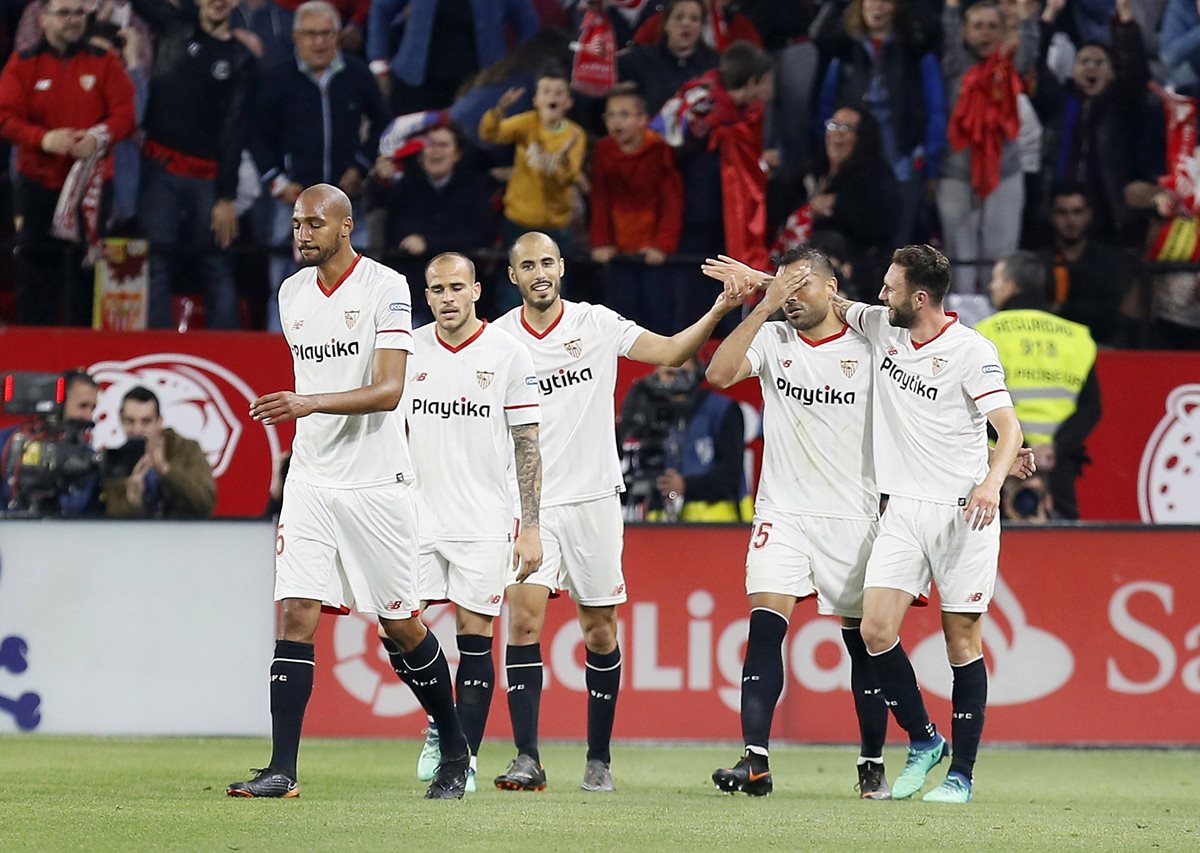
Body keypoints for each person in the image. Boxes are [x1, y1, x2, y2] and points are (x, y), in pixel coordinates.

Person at [225, 184, 470, 800]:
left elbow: (389, 389)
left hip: (376, 481)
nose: (302, 234)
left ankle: (455, 746)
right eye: (296, 224)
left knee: (400, 625)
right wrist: (306, 418)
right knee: (297, 612)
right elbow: (318, 374)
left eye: (314, 224)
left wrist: (307, 403)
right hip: (311, 475)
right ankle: (282, 770)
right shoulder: (291, 292)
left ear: (346, 226)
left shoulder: (385, 286)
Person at [488, 230, 740, 793]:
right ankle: (527, 757)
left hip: (596, 499)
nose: (540, 273)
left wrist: (722, 306)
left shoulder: (596, 324)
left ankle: (598, 758)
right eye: (527, 265)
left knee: (599, 629)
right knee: (524, 620)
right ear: (513, 277)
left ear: (561, 267)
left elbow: (673, 351)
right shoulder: (498, 340)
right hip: (529, 504)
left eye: (547, 262)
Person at [834, 244, 1023, 803]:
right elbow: (831, 299)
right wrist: (760, 281)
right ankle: (924, 737)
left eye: (890, 287)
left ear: (919, 297)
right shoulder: (882, 328)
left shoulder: (972, 351)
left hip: (964, 512)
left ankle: (961, 776)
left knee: (961, 640)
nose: (879, 295)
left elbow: (1007, 429)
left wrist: (993, 481)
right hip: (905, 508)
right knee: (873, 630)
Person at [702, 248, 893, 799]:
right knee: (764, 626)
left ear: (833, 287)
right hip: (781, 512)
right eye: (785, 287)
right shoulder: (773, 336)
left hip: (853, 515)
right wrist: (764, 303)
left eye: (802, 286)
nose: (791, 298)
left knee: (862, 644)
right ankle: (755, 761)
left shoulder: (871, 343)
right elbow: (717, 373)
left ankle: (872, 763)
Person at [402, 252, 544, 795]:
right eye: (436, 289)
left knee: (476, 638)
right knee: (395, 628)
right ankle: (445, 720)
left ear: (477, 291)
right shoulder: (409, 349)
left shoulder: (508, 353)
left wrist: (530, 526)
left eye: (456, 287)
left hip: (484, 519)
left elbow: (527, 444)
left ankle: (459, 764)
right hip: (417, 515)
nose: (447, 298)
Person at [250, 0, 387, 331]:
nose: (319, 42)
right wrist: (278, 184)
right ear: (296, 36)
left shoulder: (357, 74)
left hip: (349, 201)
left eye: (326, 33)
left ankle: (358, 351)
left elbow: (383, 123)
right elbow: (256, 136)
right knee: (285, 286)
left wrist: (361, 166)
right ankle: (279, 356)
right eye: (310, 34)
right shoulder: (277, 78)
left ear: (337, 35)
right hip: (293, 206)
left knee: (360, 285)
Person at [0, 0, 137, 326]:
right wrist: (43, 139)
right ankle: (35, 356)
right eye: (64, 13)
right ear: (43, 19)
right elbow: (5, 116)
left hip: (90, 188)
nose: (73, 20)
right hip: (38, 184)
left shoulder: (105, 62)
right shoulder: (23, 62)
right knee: (35, 270)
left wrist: (99, 138)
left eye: (79, 13)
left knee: (85, 274)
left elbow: (126, 115)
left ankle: (84, 357)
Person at [132, 0, 257, 329]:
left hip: (207, 177)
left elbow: (235, 130)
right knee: (156, 261)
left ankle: (227, 357)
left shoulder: (241, 59)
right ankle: (152, 351)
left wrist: (227, 196)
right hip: (160, 169)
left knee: (216, 264)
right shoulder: (174, 25)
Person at [976, 251, 1100, 520]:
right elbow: (1092, 408)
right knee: (1065, 552)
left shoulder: (985, 334)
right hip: (1059, 467)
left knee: (998, 555)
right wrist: (1056, 449)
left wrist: (1019, 448)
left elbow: (976, 406)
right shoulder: (1076, 336)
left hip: (1001, 467)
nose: (991, 286)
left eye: (996, 279)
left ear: (1011, 286)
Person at [589, 84, 683, 334]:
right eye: (610, 115)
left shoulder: (659, 149)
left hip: (651, 252)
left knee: (656, 315)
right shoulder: (603, 150)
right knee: (620, 317)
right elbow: (600, 199)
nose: (615, 122)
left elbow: (671, 201)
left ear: (643, 119)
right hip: (618, 250)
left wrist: (662, 245)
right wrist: (601, 242)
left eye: (624, 114)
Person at [617, 356, 748, 522]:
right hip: (656, 524)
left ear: (696, 369)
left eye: (679, 369)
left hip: (716, 526)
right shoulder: (646, 410)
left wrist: (685, 486)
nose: (672, 378)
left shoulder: (722, 410)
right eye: (667, 372)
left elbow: (730, 474)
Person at [478, 63, 587, 254]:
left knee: (554, 281)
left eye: (559, 93)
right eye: (546, 91)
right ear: (536, 99)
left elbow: (568, 177)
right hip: (519, 219)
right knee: (515, 280)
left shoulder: (575, 134)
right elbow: (490, 134)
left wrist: (563, 160)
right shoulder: (527, 123)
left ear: (568, 102)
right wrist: (499, 110)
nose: (552, 97)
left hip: (556, 224)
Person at [100, 386, 217, 518]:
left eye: (146, 421)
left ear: (159, 422)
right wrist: (133, 501)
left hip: (183, 536)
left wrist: (165, 470)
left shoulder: (186, 449)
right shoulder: (116, 461)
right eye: (130, 421)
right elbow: (110, 523)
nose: (137, 429)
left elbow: (205, 503)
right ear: (121, 420)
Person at [1040, 184, 1129, 347]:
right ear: (1052, 217)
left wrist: (1061, 310)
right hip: (1050, 346)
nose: (1070, 220)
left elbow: (1111, 312)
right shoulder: (1040, 261)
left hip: (1100, 344)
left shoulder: (1108, 260)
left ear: (1088, 215)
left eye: (1077, 212)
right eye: (1062, 213)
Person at [1, 369, 101, 514]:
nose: (89, 417)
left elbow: (80, 506)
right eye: (83, 406)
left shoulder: (87, 458)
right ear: (59, 401)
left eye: (93, 408)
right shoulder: (7, 442)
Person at [617, 0, 719, 116]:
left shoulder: (714, 63)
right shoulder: (642, 58)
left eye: (694, 19)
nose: (686, 23)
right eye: (679, 17)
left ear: (701, 27)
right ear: (666, 24)